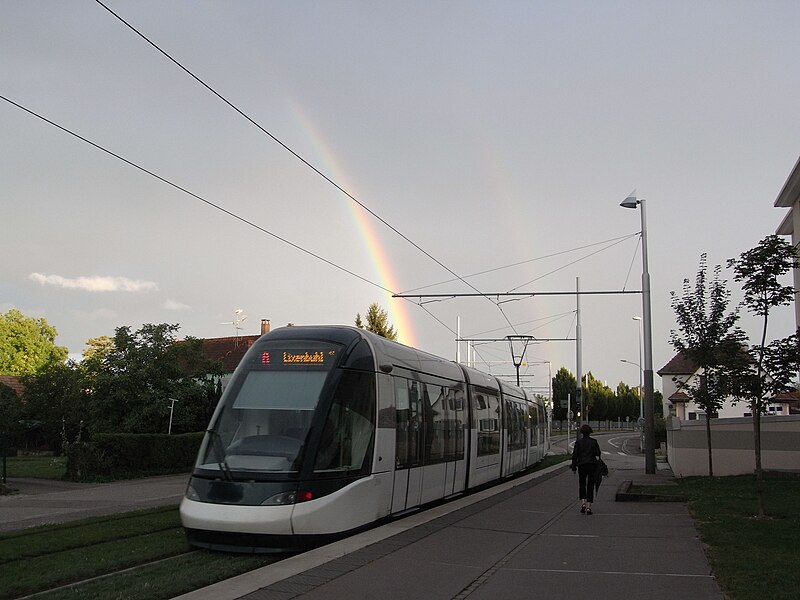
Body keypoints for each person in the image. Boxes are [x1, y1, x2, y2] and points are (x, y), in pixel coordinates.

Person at [570, 424, 601, 514]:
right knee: (590, 485)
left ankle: (583, 503)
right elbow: (598, 453)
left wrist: (574, 467)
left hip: (581, 465)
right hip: (591, 465)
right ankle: (589, 507)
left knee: (582, 483)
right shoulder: (594, 442)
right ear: (590, 432)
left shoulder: (578, 442)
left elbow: (574, 456)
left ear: (582, 433)